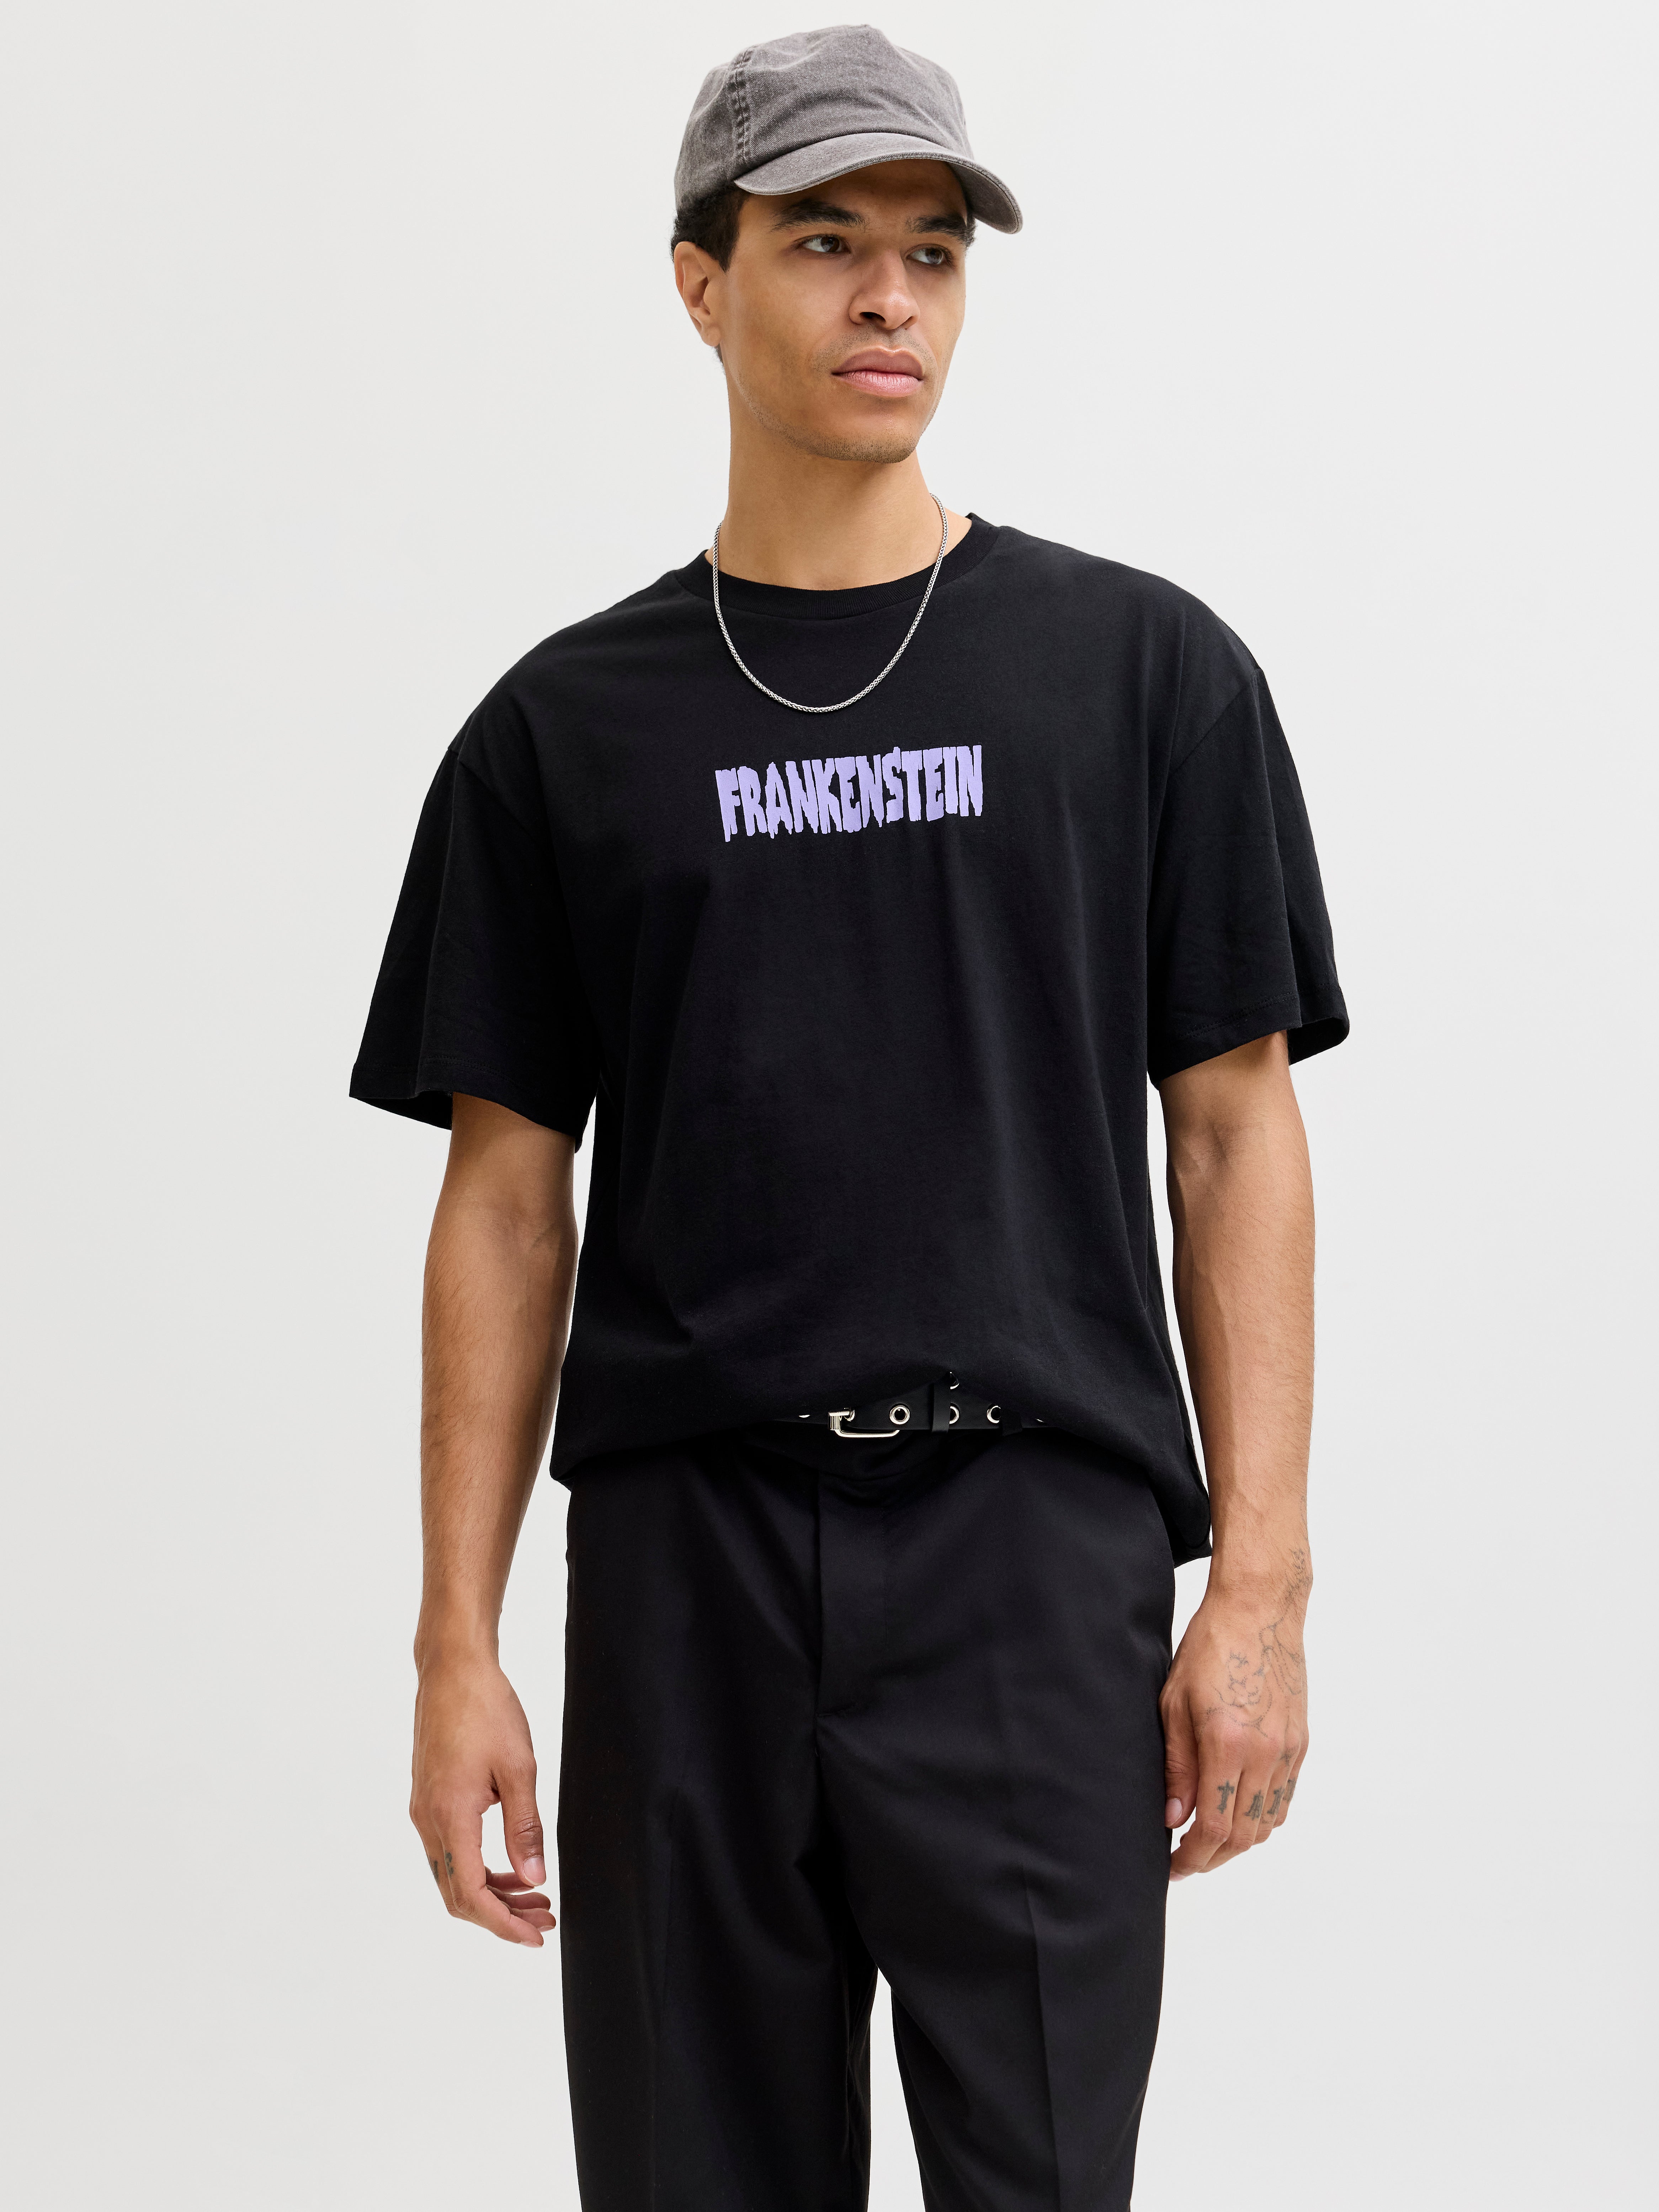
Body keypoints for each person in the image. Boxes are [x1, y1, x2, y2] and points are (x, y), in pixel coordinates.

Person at [350, 24, 1347, 2210]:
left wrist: (1259, 1588)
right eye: (824, 243)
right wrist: (455, 1644)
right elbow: (506, 1202)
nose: (891, 296)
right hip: (687, 1570)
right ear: (701, 283)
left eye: (932, 249)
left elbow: (1233, 1132)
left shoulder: (1145, 679)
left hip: (1034, 1556)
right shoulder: (560, 735)